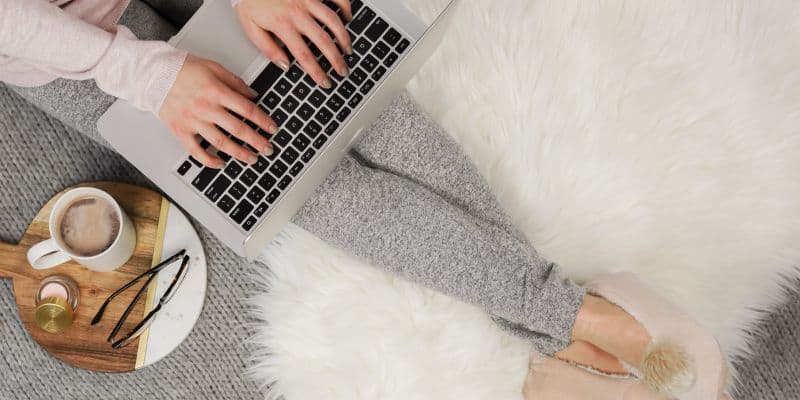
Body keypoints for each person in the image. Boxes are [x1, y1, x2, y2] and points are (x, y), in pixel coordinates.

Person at [0, 0, 728, 398]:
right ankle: (568, 318)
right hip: (62, 41)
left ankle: (568, 328)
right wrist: (144, 74)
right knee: (285, 171)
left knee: (340, 80)